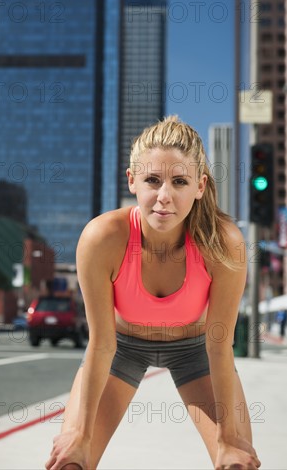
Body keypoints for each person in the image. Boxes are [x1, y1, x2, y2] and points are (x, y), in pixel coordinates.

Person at [45, 116, 261, 470]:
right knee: (70, 460)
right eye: (152, 180)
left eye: (179, 182)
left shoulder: (224, 243)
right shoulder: (102, 238)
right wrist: (80, 434)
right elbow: (101, 343)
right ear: (132, 181)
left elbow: (219, 345)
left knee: (237, 461)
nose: (164, 196)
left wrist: (228, 440)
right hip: (121, 349)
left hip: (196, 352)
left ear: (200, 186)